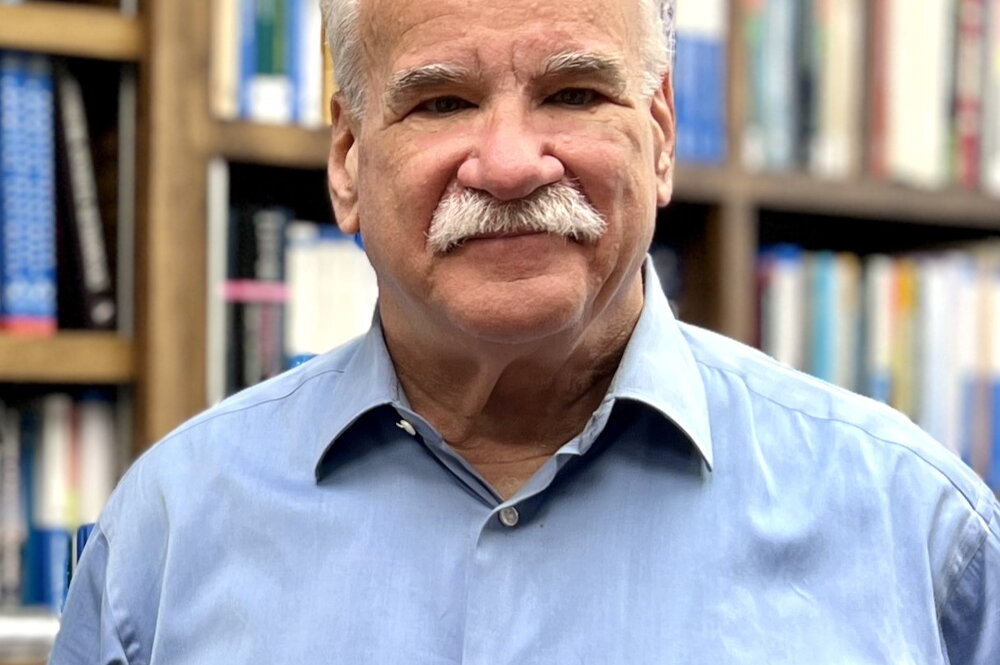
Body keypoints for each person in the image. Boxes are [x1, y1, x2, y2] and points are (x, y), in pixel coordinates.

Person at [51, 0, 998, 662]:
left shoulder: (919, 534)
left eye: (575, 93)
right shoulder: (167, 539)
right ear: (346, 160)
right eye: (442, 103)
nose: (508, 164)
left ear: (661, 134)